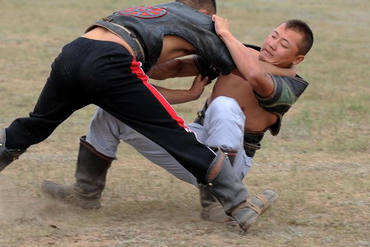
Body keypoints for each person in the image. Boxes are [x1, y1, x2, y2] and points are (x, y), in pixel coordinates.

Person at [0, 0, 276, 233]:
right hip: (111, 61)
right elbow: (246, 68)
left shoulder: (151, 13)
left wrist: (187, 92)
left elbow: (147, 79)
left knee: (37, 124)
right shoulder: (201, 21)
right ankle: (238, 203)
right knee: (174, 135)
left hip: (74, 52)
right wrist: (225, 32)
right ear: (205, 13)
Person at [49, 18, 312, 224]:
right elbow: (172, 69)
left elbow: (254, 76)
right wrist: (151, 51)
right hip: (195, 146)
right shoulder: (239, 54)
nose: (273, 43)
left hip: (233, 164)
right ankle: (85, 194)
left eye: (284, 44)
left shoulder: (290, 86)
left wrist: (225, 35)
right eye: (274, 35)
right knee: (112, 113)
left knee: (224, 105)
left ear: (297, 59)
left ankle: (221, 201)